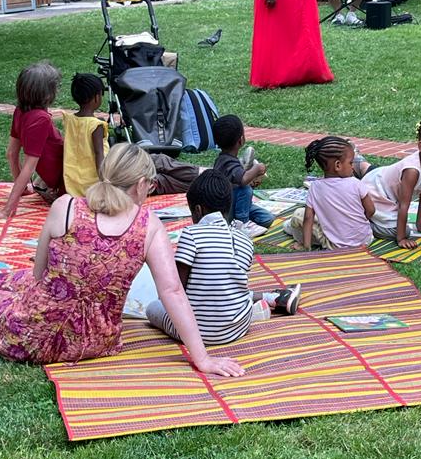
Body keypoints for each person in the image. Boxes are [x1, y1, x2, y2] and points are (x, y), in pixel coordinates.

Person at [0, 144, 244, 376]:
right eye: (151, 185)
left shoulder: (65, 206)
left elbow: (38, 277)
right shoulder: (149, 226)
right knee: (16, 281)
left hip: (31, 334)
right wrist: (202, 359)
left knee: (16, 282)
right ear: (141, 184)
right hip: (92, 343)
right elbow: (173, 293)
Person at [146, 171, 301, 345]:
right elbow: (230, 285)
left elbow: (176, 288)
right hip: (237, 329)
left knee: (152, 307)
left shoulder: (191, 234)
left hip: (194, 331)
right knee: (227, 291)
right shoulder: (245, 240)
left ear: (197, 210)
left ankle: (262, 305)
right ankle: (267, 301)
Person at [359, 117, 421, 247]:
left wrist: (420, 225)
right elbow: (404, 205)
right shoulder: (412, 171)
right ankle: (367, 224)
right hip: (375, 193)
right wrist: (401, 238)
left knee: (403, 227)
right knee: (400, 230)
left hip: (390, 197)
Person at [283, 136, 375, 250]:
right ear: (337, 165)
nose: (352, 167)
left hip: (335, 245)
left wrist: (306, 246)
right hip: (364, 240)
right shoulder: (356, 183)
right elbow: (371, 210)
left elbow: (308, 218)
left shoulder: (315, 187)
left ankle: (291, 230)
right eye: (351, 163)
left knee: (298, 215)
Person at [1, 61, 64, 218]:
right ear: (48, 94)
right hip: (62, 184)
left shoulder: (20, 111)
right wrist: (8, 209)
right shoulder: (40, 119)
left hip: (48, 182)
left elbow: (11, 153)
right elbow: (29, 165)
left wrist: (23, 190)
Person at [212, 114, 274, 230]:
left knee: (267, 218)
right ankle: (242, 224)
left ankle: (241, 219)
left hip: (235, 205)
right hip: (225, 209)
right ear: (241, 140)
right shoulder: (227, 162)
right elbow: (242, 180)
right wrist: (256, 170)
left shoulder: (226, 159)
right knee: (245, 189)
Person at [62, 73, 109, 197]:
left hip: (73, 184)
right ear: (96, 97)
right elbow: (99, 154)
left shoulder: (69, 120)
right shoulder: (96, 125)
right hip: (93, 185)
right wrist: (105, 182)